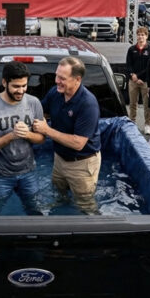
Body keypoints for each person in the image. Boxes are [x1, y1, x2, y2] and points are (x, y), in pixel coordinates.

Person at [33, 57, 101, 214]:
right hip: (59, 159)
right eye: (56, 76)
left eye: (62, 78)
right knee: (59, 195)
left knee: (86, 206)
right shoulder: (56, 92)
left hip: (82, 164)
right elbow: (40, 110)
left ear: (77, 79)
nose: (57, 81)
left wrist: (46, 130)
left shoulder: (88, 104)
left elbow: (78, 143)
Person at [0, 61, 45, 215]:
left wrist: (27, 134)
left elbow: (42, 139)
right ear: (4, 82)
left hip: (28, 172)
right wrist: (11, 136)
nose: (20, 91)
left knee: (35, 211)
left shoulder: (34, 103)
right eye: (16, 86)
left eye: (24, 86)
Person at [125, 27, 150, 134]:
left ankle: (147, 124)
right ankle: (132, 122)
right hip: (133, 81)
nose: (140, 36)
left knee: (147, 105)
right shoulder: (131, 49)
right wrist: (132, 75)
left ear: (146, 36)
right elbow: (128, 64)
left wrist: (139, 77)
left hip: (145, 81)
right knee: (132, 103)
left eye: (143, 34)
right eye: (139, 34)